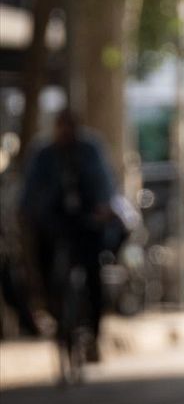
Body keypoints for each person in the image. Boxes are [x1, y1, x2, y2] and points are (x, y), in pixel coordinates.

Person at [20, 110, 117, 361]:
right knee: (42, 265)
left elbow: (104, 183)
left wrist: (103, 208)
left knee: (93, 274)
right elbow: (29, 194)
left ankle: (93, 336)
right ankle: (48, 308)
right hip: (54, 224)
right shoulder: (43, 155)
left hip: (86, 222)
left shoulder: (90, 150)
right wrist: (30, 215)